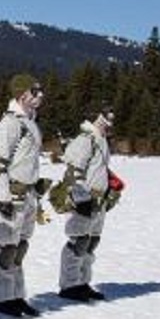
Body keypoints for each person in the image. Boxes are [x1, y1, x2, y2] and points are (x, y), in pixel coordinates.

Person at [0, 73, 47, 318]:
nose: (40, 95)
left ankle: (16, 296)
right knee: (5, 249)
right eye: (35, 91)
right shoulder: (10, 124)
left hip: (28, 195)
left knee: (19, 249)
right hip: (11, 195)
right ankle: (2, 300)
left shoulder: (30, 121)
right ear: (22, 94)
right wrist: (2, 198)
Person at [55, 105, 119, 302]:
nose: (111, 119)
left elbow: (98, 168)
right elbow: (73, 172)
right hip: (85, 198)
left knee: (91, 242)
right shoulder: (85, 140)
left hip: (99, 200)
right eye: (107, 116)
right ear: (98, 118)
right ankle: (69, 285)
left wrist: (110, 187)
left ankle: (82, 283)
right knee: (79, 241)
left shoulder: (102, 139)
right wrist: (80, 198)